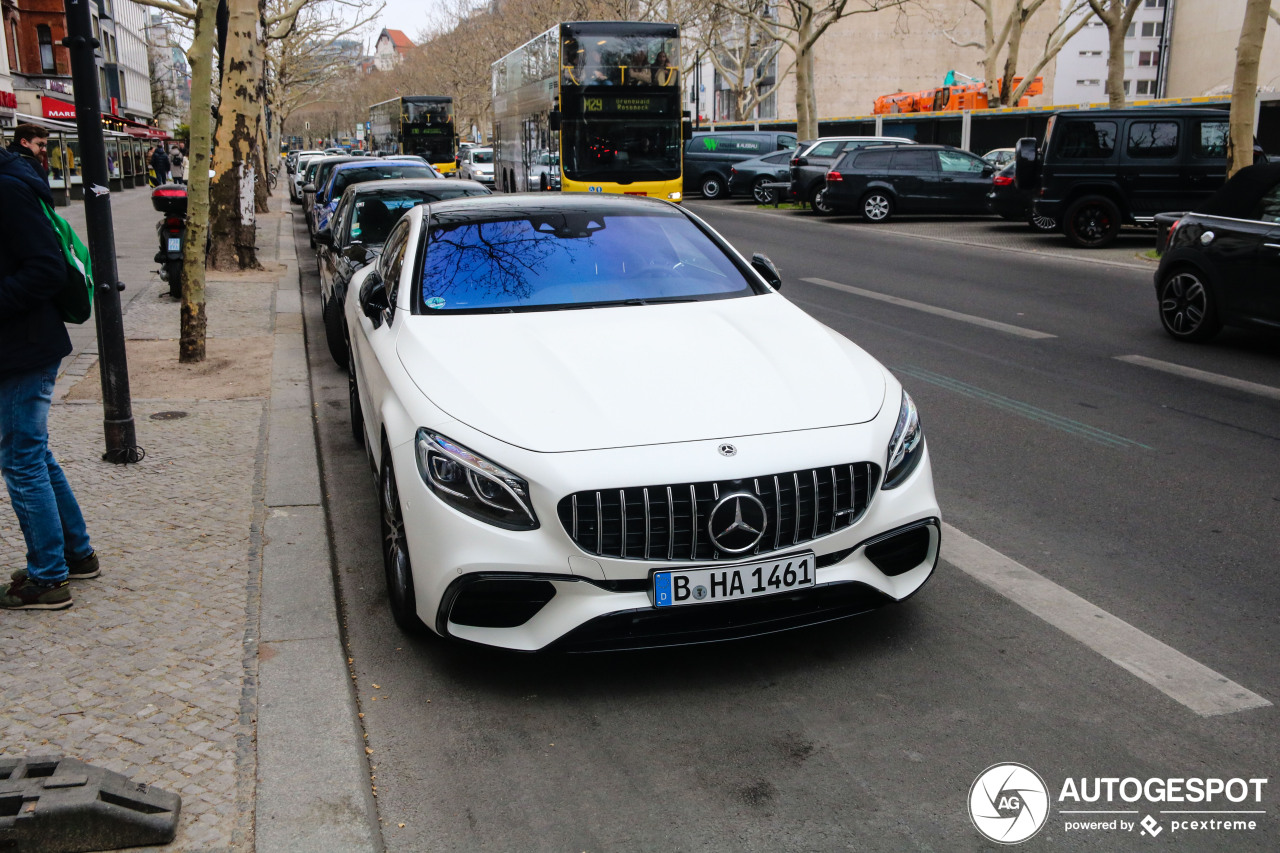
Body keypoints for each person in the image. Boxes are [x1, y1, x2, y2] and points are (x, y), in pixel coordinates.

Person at [0, 147, 98, 611]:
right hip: (23, 345)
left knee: (22, 461)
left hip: (21, 348)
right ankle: (76, 554)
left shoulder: (6, 189)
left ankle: (48, 578)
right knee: (34, 455)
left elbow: (45, 268)